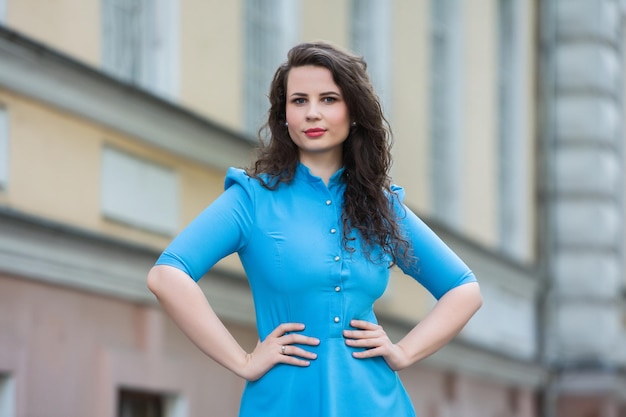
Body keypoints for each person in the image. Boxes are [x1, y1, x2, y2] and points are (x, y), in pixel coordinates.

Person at [147, 41, 482, 417]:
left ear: (353, 111)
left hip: (375, 401)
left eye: (328, 99)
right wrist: (242, 360)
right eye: (299, 101)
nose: (312, 113)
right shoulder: (253, 199)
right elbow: (167, 275)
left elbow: (464, 289)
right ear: (283, 114)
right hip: (283, 401)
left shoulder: (383, 206)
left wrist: (403, 351)